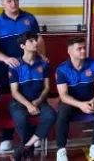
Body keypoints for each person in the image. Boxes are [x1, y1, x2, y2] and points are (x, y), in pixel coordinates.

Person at [0, 0, 46, 151]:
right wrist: (5, 59)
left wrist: (42, 56)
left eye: (16, 0)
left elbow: (38, 39)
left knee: (31, 95)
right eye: (9, 1)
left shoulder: (29, 18)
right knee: (7, 99)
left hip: (30, 68)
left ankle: (33, 135)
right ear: (2, 4)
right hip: (5, 68)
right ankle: (6, 137)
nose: (13, 4)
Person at [54, 37, 94, 161]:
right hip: (72, 102)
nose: (83, 51)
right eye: (79, 49)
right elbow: (63, 95)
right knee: (63, 112)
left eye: (84, 48)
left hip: (90, 100)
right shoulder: (62, 69)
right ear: (70, 51)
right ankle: (61, 149)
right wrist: (80, 105)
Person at [8, 32, 57, 161]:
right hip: (19, 102)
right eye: (31, 41)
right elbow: (14, 92)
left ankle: (25, 146)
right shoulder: (15, 65)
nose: (35, 43)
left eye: (35, 40)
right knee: (22, 121)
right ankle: (29, 148)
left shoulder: (44, 63)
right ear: (22, 46)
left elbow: (47, 87)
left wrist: (38, 101)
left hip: (38, 100)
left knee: (51, 115)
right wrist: (29, 105)